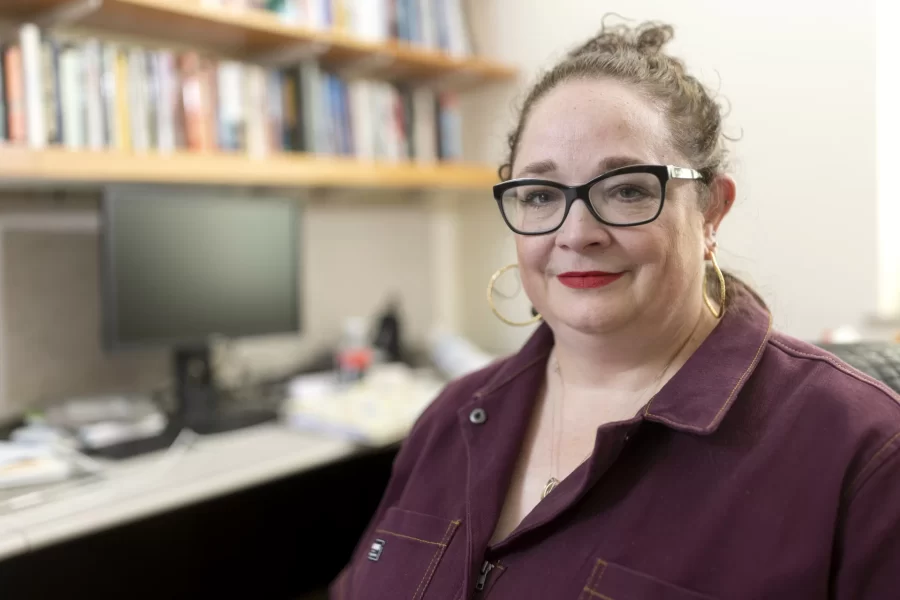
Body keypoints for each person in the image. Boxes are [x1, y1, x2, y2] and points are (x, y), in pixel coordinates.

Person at [330, 19, 900, 600]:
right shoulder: (453, 416)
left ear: (711, 212)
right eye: (542, 194)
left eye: (626, 189)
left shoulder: (862, 450)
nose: (577, 234)